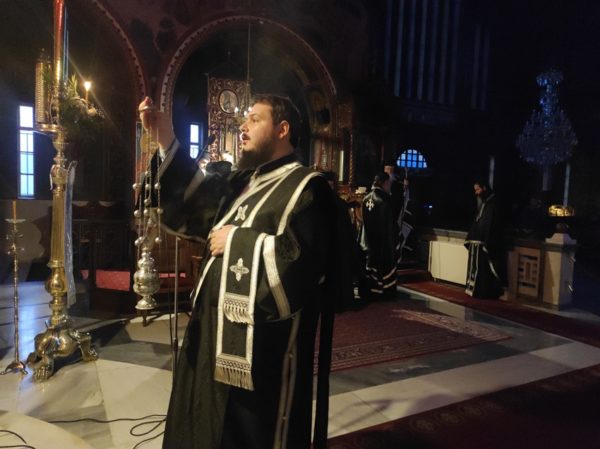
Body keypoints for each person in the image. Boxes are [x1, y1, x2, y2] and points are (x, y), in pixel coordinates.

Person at [138, 94, 351, 449]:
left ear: (282, 129)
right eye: (244, 119)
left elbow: (300, 266)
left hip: (261, 353)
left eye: (254, 119)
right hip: (211, 332)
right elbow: (198, 205)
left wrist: (237, 240)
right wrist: (164, 136)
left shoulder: (306, 188)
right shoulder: (243, 183)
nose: (243, 127)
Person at [358, 172, 398, 299]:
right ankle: (383, 292)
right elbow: (390, 226)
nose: (390, 187)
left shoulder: (366, 198)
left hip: (367, 242)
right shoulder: (385, 200)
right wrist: (394, 243)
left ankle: (368, 290)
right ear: (384, 183)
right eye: (389, 184)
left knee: (370, 266)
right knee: (383, 268)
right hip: (382, 244)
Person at [465, 180, 505, 299]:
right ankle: (476, 290)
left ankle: (484, 292)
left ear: (485, 188)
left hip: (486, 243)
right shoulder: (484, 203)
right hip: (477, 243)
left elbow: (492, 225)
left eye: (478, 189)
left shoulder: (493, 204)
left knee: (484, 270)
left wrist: (486, 240)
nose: (476, 193)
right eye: (475, 190)